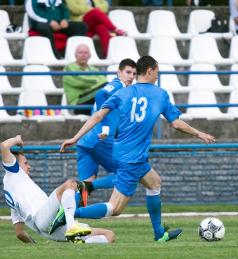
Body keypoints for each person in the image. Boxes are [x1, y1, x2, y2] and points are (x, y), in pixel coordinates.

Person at [59, 56, 216, 242]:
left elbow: (99, 115)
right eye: (157, 71)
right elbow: (176, 123)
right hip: (131, 158)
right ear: (150, 71)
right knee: (115, 208)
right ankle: (69, 215)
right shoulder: (160, 94)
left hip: (125, 154)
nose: (158, 75)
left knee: (155, 183)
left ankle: (159, 234)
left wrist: (75, 137)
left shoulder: (124, 93)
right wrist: (199, 134)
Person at [1, 135, 115, 244]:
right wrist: (17, 139)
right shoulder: (14, 173)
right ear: (15, 164)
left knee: (109, 235)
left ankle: (81, 239)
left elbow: (20, 233)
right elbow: (4, 146)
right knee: (70, 184)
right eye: (25, 163)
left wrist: (35, 246)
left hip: (49, 228)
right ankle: (72, 226)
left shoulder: (13, 193)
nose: (29, 166)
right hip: (43, 219)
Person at [75, 58, 137, 206]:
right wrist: (106, 128)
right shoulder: (117, 85)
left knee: (83, 188)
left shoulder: (123, 90)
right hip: (101, 139)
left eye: (134, 73)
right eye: (128, 72)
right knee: (128, 174)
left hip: (85, 141)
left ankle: (69, 219)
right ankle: (89, 187)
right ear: (119, 72)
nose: (131, 76)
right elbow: (99, 95)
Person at [63, 44, 107, 115]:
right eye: (80, 52)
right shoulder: (69, 68)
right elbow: (81, 82)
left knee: (109, 89)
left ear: (89, 56)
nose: (83, 55)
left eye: (86, 53)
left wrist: (92, 86)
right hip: (78, 104)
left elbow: (104, 81)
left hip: (93, 101)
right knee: (106, 88)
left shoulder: (94, 69)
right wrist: (96, 82)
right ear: (75, 55)